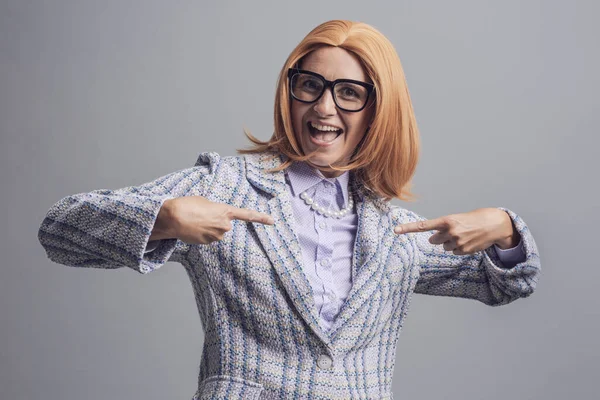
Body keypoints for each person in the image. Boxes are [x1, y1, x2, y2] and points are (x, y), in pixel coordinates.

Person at [38, 19, 540, 400]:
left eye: (349, 93)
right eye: (310, 85)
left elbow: (506, 282)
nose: (324, 108)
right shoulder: (225, 187)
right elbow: (60, 231)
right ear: (290, 90)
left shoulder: (397, 231)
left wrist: (503, 226)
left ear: (378, 111)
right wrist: (165, 217)